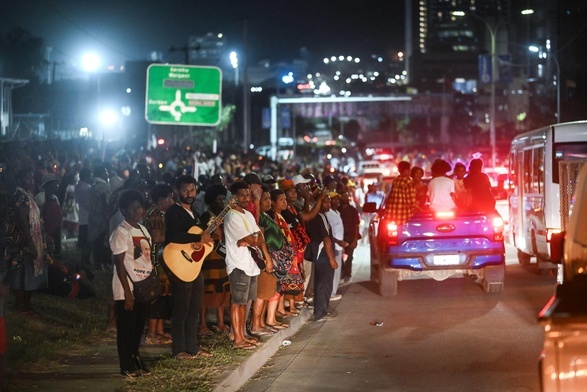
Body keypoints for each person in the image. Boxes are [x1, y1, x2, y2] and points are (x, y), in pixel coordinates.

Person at [164, 175, 213, 359]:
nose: (189, 194)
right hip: (178, 265)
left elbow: (198, 238)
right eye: (185, 190)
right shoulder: (173, 212)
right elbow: (175, 236)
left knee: (194, 309)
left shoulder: (195, 214)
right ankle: (178, 350)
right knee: (181, 310)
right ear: (177, 191)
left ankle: (193, 347)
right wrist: (197, 238)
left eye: (192, 190)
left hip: (193, 266)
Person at [223, 180, 273, 350]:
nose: (246, 198)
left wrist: (257, 244)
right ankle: (237, 339)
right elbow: (254, 238)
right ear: (234, 197)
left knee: (244, 303)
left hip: (251, 265)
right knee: (237, 303)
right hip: (238, 265)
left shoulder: (248, 214)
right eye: (242, 195)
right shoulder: (231, 216)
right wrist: (254, 240)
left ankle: (242, 335)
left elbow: (259, 237)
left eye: (247, 194)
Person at [110, 189, 152, 377]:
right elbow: (119, 263)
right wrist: (127, 292)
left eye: (139, 207)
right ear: (124, 210)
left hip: (143, 287)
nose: (137, 211)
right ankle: (126, 365)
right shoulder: (121, 231)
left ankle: (135, 358)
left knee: (137, 328)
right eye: (132, 208)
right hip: (126, 287)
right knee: (126, 329)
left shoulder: (142, 229)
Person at [3, 168, 49, 314]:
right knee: (19, 273)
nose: (32, 181)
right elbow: (23, 221)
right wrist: (30, 243)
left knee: (27, 272)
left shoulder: (26, 195)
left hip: (28, 240)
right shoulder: (19, 197)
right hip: (22, 241)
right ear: (20, 180)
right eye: (28, 178)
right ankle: (20, 305)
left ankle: (26, 305)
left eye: (32, 178)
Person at [143, 183, 174, 345]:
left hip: (161, 261)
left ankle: (160, 331)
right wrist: (174, 237)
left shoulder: (158, 213)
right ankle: (152, 333)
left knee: (164, 295)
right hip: (155, 262)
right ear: (162, 199)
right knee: (158, 297)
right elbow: (156, 238)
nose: (172, 200)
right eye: (170, 197)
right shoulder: (154, 213)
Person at [199, 184, 231, 335]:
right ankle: (202, 325)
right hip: (209, 259)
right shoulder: (206, 216)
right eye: (219, 199)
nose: (222, 202)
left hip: (222, 257)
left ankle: (220, 322)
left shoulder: (226, 216)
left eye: (224, 199)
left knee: (223, 290)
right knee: (206, 292)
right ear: (211, 201)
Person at [251, 188, 282, 336]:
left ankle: (262, 323)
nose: (269, 202)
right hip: (264, 258)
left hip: (270, 257)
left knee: (266, 292)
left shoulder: (266, 215)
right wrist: (268, 258)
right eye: (265, 199)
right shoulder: (258, 218)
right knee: (261, 292)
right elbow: (260, 237)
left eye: (270, 198)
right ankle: (256, 325)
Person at [305, 195, 338, 322]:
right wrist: (331, 258)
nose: (329, 204)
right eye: (326, 202)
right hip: (323, 255)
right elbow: (326, 239)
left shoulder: (313, 216)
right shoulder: (320, 216)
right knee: (325, 284)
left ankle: (319, 310)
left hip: (317, 255)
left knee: (319, 283)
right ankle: (321, 312)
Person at [88, 165, 111, 270]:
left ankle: (98, 263)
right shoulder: (103, 187)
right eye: (105, 171)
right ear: (101, 173)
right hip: (102, 219)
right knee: (102, 243)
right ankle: (102, 264)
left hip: (94, 219)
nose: (107, 173)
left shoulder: (94, 185)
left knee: (97, 243)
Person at [324, 191, 347, 300]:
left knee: (337, 271)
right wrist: (338, 242)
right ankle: (331, 293)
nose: (336, 201)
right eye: (334, 199)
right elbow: (330, 232)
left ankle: (334, 291)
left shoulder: (336, 212)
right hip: (334, 245)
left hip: (338, 246)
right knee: (333, 271)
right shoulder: (328, 214)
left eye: (338, 199)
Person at [384, 161, 417, 226]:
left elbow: (389, 197)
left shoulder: (395, 180)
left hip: (392, 216)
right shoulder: (408, 182)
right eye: (409, 170)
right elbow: (411, 201)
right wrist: (419, 208)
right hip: (403, 215)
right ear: (407, 170)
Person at [338, 190, 360, 283]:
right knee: (339, 256)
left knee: (349, 256)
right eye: (343, 197)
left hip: (350, 236)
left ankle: (347, 273)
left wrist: (355, 239)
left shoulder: (353, 210)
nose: (345, 198)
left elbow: (356, 225)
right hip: (339, 236)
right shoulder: (337, 210)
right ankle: (342, 271)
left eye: (346, 197)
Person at [40, 173, 63, 260]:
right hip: (46, 230)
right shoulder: (41, 198)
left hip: (56, 229)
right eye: (55, 184)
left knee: (56, 250)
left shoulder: (55, 198)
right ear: (48, 185)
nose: (57, 186)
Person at [75, 168, 93, 267]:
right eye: (90, 175)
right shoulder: (87, 188)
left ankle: (84, 260)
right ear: (86, 177)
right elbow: (88, 204)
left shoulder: (78, 186)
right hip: (88, 218)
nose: (91, 178)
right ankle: (85, 261)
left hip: (82, 217)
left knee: (84, 242)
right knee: (88, 242)